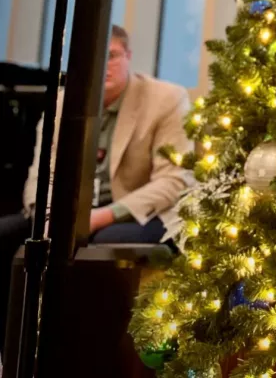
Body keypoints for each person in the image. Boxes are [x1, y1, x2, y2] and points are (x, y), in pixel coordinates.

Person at [0, 26, 190, 326]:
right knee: (6, 233)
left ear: (128, 56)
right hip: (65, 214)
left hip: (130, 212)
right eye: (95, 57)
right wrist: (50, 220)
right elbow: (40, 176)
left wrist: (98, 218)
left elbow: (173, 182)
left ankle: (92, 347)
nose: (103, 66)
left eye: (111, 56)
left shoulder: (166, 99)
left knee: (104, 243)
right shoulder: (62, 102)